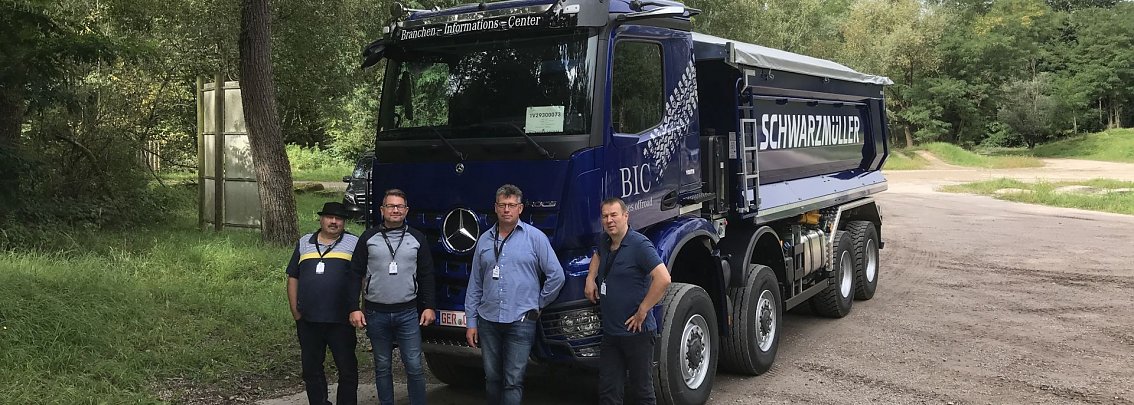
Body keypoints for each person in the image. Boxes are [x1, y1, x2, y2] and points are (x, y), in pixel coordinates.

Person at [465, 184, 565, 405]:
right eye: (502, 205)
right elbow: (475, 284)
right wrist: (471, 322)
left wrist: (537, 303)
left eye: (511, 205)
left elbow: (556, 276)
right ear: (495, 208)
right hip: (488, 321)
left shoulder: (535, 238)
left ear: (520, 208)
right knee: (492, 378)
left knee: (513, 380)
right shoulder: (484, 240)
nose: (506, 210)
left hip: (521, 320)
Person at [347, 189, 435, 405]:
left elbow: (426, 274)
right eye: (390, 206)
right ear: (382, 210)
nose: (395, 210)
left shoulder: (417, 238)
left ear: (406, 210)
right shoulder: (368, 238)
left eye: (399, 206)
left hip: (408, 313)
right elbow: (355, 273)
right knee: (383, 366)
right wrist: (354, 307)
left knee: (414, 366)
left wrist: (429, 306)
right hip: (376, 314)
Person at [584, 197, 672, 405]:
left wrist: (643, 310)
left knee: (642, 392)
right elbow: (597, 255)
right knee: (608, 392)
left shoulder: (639, 245)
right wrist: (590, 278)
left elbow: (663, 278)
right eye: (605, 216)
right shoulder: (605, 241)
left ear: (626, 216)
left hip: (637, 334)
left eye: (614, 215)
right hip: (611, 335)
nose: (609, 220)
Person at [286, 202, 360, 405]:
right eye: (329, 217)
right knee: (311, 369)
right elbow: (293, 277)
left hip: (341, 320)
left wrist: (359, 308)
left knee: (347, 369)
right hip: (308, 320)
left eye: (339, 219)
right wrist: (296, 312)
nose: (334, 222)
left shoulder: (354, 243)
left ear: (344, 222)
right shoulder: (304, 242)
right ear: (321, 219)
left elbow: (363, 278)